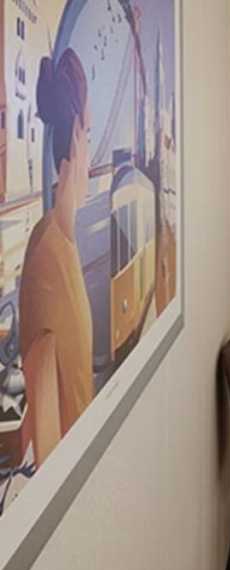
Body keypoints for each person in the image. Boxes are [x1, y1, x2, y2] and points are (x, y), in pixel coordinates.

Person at [19, 49, 93, 466]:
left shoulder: (59, 242)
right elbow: (45, 428)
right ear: (78, 140)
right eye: (90, 134)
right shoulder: (49, 258)